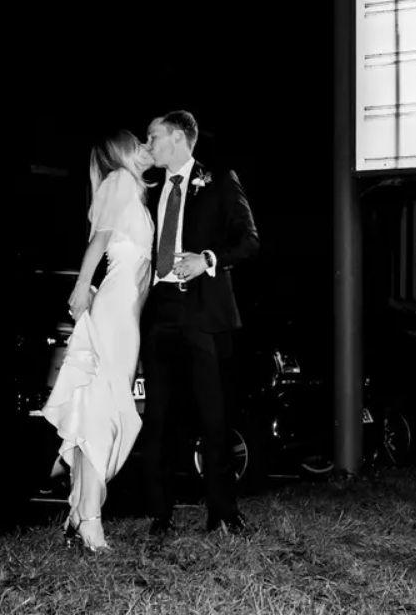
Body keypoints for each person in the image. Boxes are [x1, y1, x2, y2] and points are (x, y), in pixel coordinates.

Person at [141, 110, 260, 537]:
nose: (147, 144)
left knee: (214, 417)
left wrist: (207, 259)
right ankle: (159, 515)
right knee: (159, 417)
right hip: (160, 311)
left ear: (176, 138)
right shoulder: (148, 188)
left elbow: (249, 241)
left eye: (153, 136)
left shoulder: (219, 179)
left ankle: (223, 513)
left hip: (203, 312)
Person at [42, 130, 154, 552]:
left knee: (102, 412)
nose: (146, 149)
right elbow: (100, 238)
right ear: (122, 154)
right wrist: (81, 285)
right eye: (139, 144)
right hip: (113, 314)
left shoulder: (133, 194)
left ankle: (78, 512)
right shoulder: (120, 182)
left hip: (126, 318)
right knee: (102, 415)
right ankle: (89, 519)